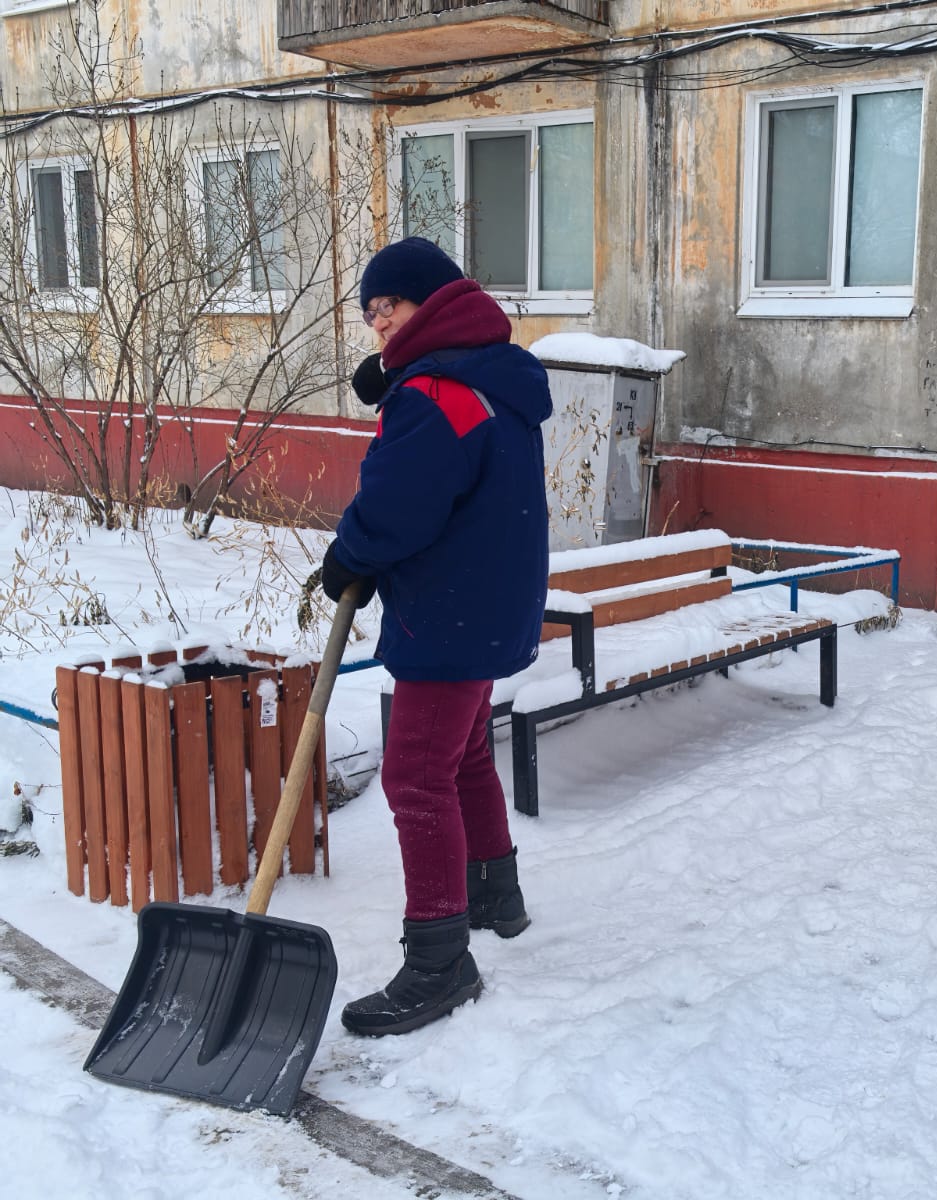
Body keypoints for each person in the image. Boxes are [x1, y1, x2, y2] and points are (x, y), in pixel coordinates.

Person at [320, 236, 553, 1036]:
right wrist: (400, 384)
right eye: (371, 317)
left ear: (432, 302)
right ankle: (496, 894)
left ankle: (438, 961)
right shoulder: (492, 376)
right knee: (463, 758)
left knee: (415, 775)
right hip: (493, 601)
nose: (379, 327)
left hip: (451, 608)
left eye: (390, 310)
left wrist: (347, 554)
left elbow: (397, 507)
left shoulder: (435, 394)